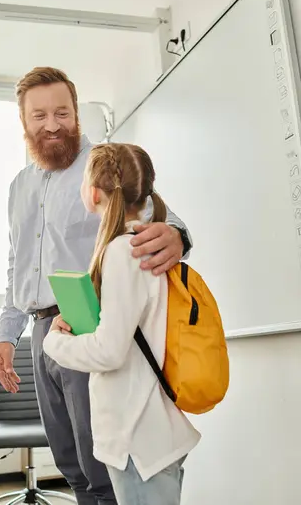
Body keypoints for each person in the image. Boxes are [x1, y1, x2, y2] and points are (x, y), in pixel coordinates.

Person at [0, 67, 193, 505]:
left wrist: (178, 236)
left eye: (62, 112)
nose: (52, 125)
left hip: (89, 325)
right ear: (23, 122)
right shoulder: (19, 186)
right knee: (69, 464)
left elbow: (162, 215)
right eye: (39, 115)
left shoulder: (103, 164)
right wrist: (6, 335)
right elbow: (18, 265)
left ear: (76, 112)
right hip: (42, 333)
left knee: (100, 466)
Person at [43, 142, 201, 505]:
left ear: (92, 192)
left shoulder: (121, 251)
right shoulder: (145, 246)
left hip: (139, 437)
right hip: (150, 432)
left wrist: (54, 343)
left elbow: (109, 351)